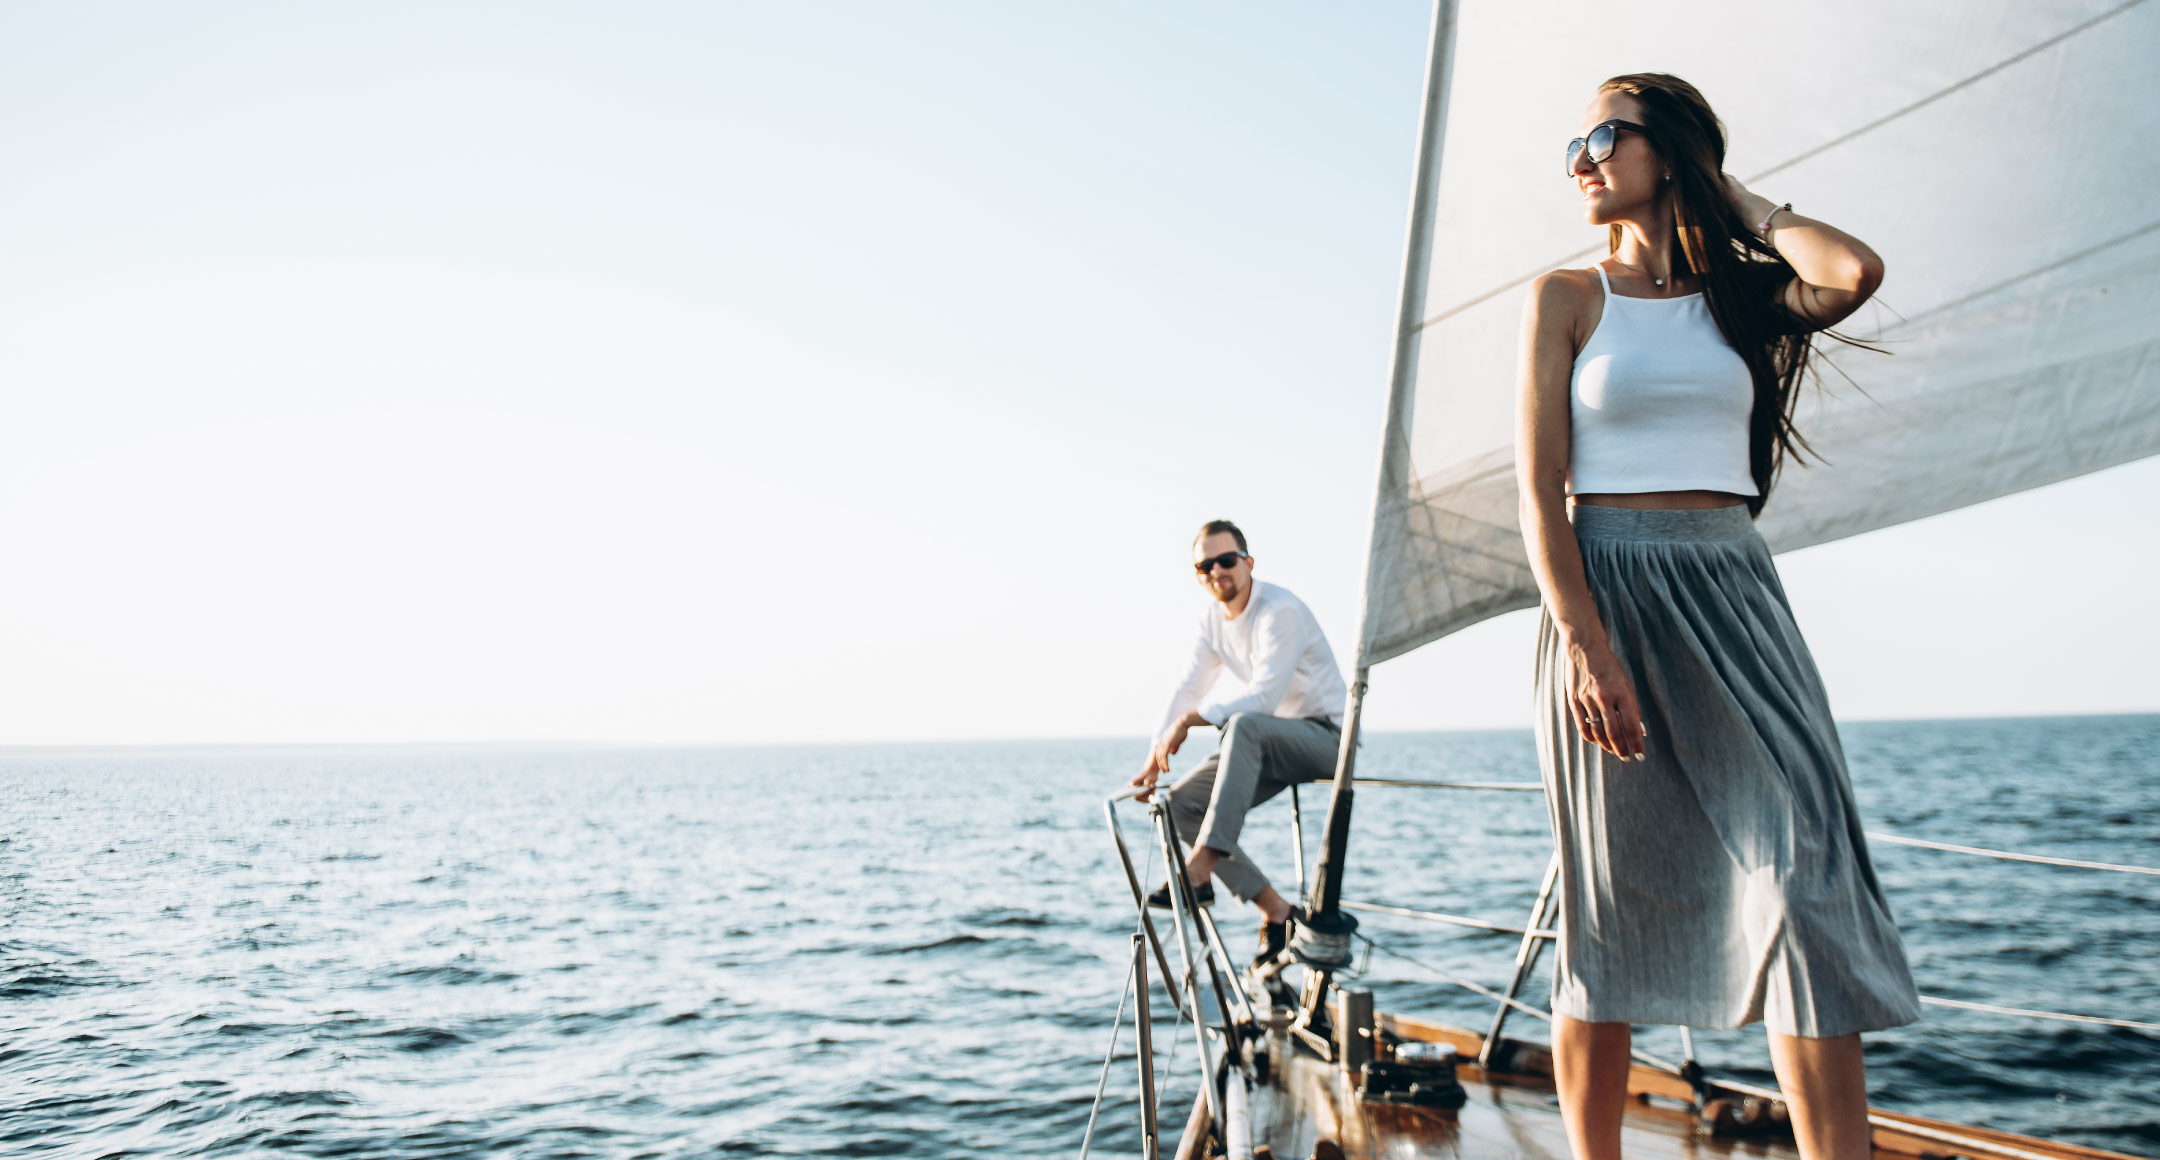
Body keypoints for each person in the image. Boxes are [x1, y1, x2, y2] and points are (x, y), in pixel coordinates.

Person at [1515, 74, 1920, 1160]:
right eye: (1574, 142)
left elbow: (1853, 273)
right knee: (1611, 908)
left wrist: (1738, 205)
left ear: (1669, 151)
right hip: (1603, 594)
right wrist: (1589, 648)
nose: (1581, 159)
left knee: (1801, 879)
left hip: (1735, 597)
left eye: (1604, 134)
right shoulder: (1564, 297)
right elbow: (1540, 489)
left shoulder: (1739, 296)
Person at [1128, 519, 1347, 967]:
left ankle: (1200, 869)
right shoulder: (1212, 622)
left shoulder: (1279, 611)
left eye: (1226, 560)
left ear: (1248, 563)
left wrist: (1190, 722)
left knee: (1244, 723)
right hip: (1268, 741)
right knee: (1182, 804)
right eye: (1205, 565)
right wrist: (1156, 755)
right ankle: (1278, 912)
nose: (1217, 571)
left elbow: (1263, 698)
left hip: (1325, 738)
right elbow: (1188, 687)